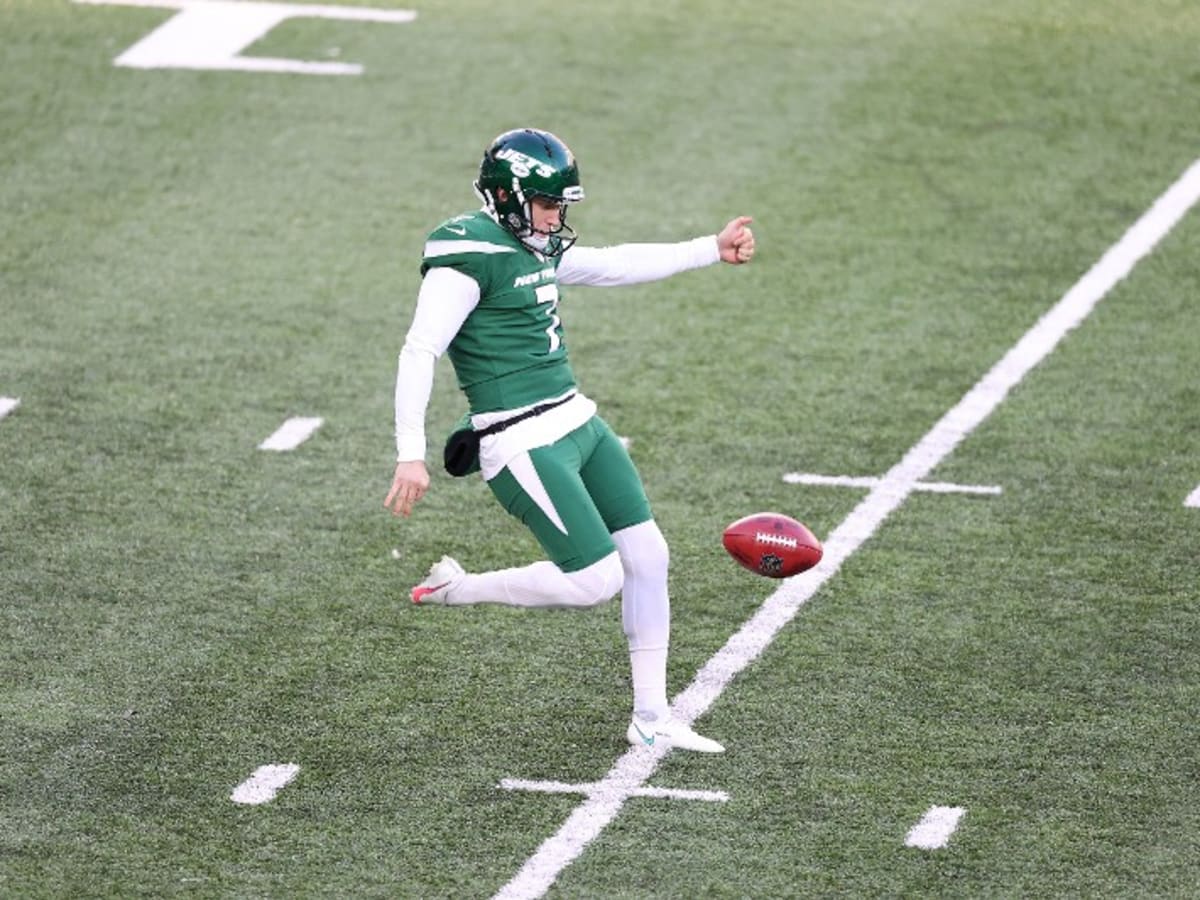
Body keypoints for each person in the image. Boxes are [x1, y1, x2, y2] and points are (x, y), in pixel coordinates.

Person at [384, 128, 755, 753]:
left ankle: (651, 716)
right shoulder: (466, 255)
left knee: (650, 558)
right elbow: (420, 349)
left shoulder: (535, 244)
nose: (559, 218)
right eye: (550, 204)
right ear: (509, 198)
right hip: (518, 437)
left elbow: (612, 264)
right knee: (593, 580)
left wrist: (707, 250)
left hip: (577, 420)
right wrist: (409, 453)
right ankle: (461, 587)